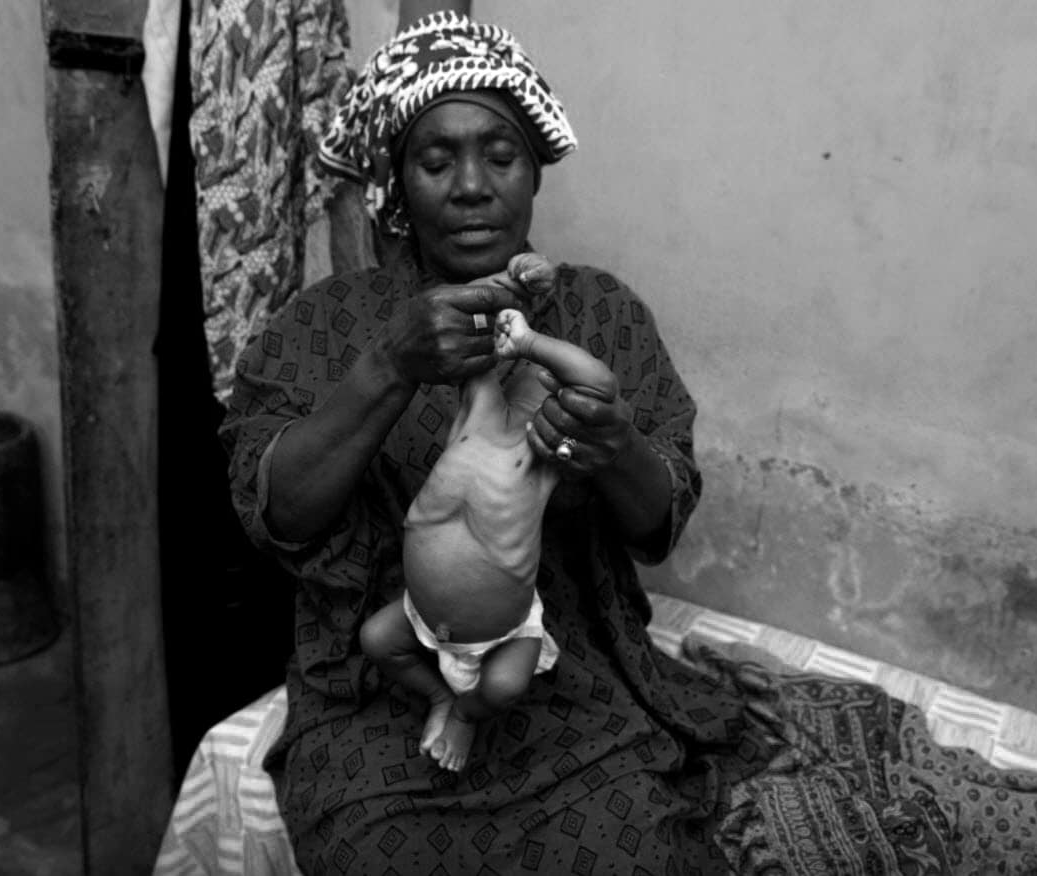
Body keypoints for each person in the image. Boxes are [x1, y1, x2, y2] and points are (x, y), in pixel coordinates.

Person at [220, 10, 772, 874]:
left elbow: (658, 524)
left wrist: (614, 446)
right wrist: (389, 366)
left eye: (501, 156)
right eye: (437, 161)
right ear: (399, 186)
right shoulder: (325, 327)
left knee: (639, 850)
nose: (472, 185)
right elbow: (277, 516)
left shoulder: (598, 313)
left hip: (572, 683)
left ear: (535, 174)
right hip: (384, 703)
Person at [361, 252, 617, 773]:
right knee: (376, 640)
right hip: (424, 618)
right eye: (531, 367)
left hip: (503, 633)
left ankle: (466, 714)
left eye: (556, 380)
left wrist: (531, 343)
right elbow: (468, 316)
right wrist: (511, 283)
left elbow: (598, 386)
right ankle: (439, 696)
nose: (542, 379)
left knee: (503, 687)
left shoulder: (542, 457)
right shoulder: (477, 409)